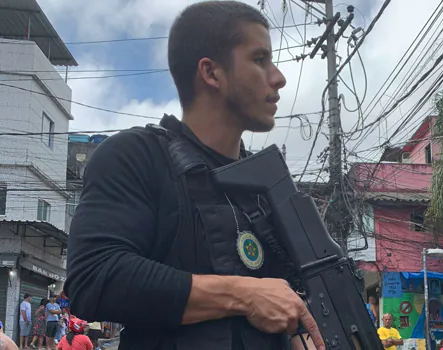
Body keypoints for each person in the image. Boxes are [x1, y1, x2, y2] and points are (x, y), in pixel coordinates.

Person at [63, 1, 325, 350]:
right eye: (260, 60)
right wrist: (242, 295)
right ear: (211, 73)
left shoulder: (266, 190)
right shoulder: (137, 156)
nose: (278, 77)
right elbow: (93, 277)